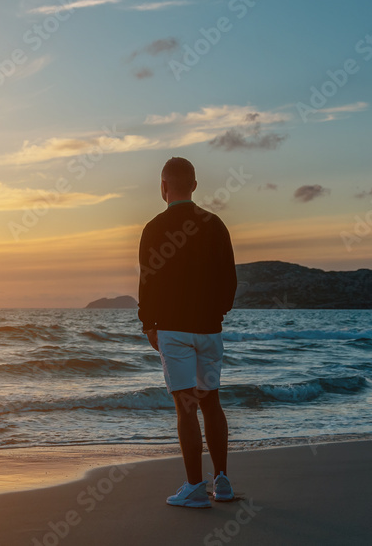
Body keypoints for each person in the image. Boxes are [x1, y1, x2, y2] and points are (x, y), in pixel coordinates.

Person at [137, 157, 237, 508]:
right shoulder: (215, 225)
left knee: (185, 408)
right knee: (211, 402)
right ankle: (221, 481)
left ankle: (195, 486)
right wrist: (217, 312)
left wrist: (148, 323)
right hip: (209, 329)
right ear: (194, 185)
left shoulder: (153, 228)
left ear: (163, 187)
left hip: (174, 330)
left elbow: (147, 281)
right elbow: (230, 279)